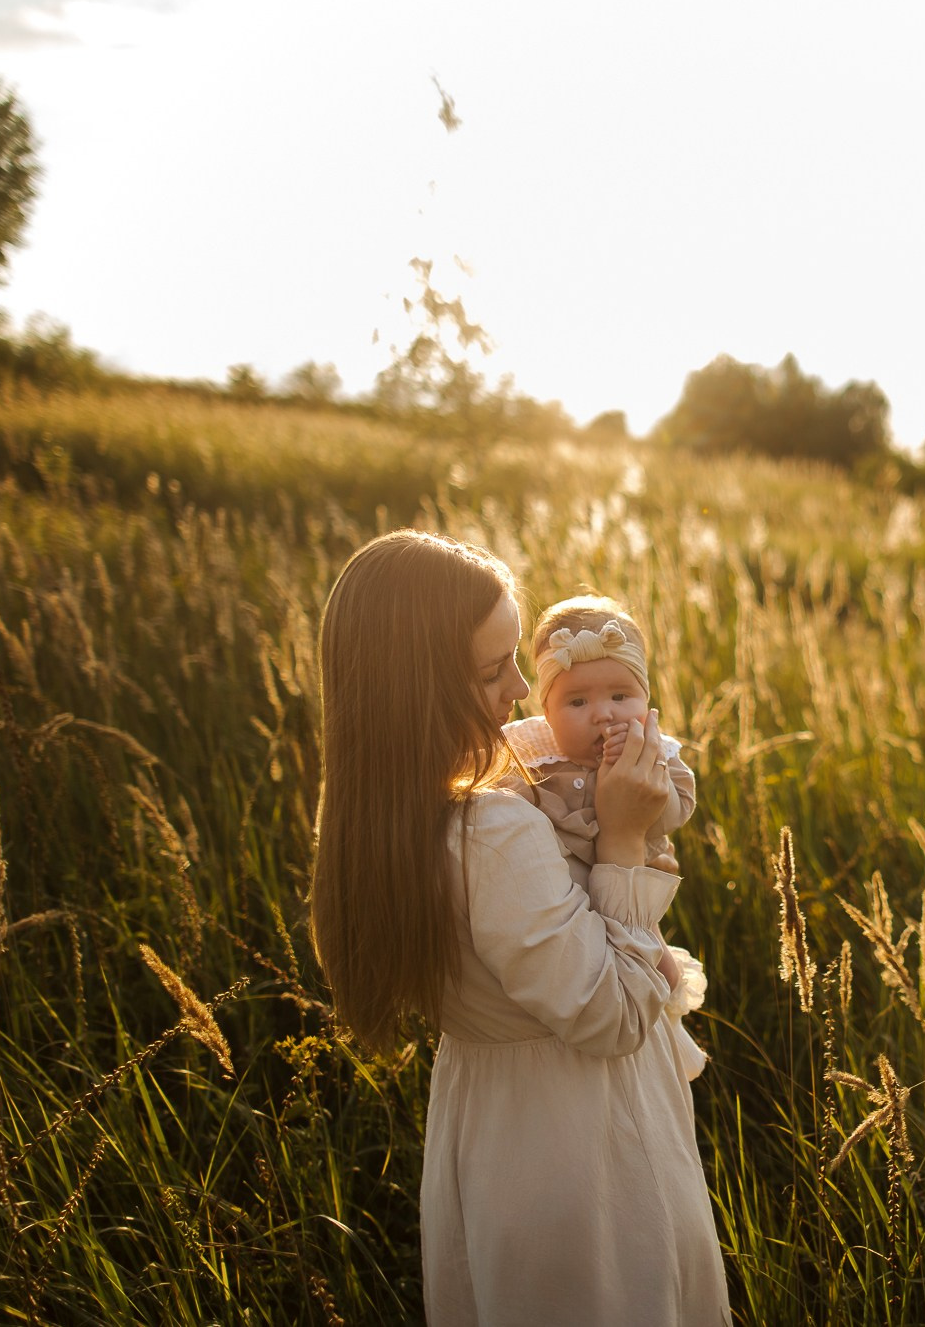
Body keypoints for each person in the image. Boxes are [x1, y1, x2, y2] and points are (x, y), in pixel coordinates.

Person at [308, 529, 730, 1326]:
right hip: (584, 1159)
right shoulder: (493, 830)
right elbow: (610, 1014)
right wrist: (626, 840)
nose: (519, 689)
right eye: (493, 667)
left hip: (491, 1135)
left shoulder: (389, 819)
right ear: (421, 686)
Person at [500, 594, 710, 1081]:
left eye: (621, 696)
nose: (604, 714)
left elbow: (678, 808)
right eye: (577, 701)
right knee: (593, 985)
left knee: (661, 976)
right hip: (564, 897)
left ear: (646, 698)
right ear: (546, 712)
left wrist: (643, 784)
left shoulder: (655, 753)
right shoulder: (531, 755)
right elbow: (507, 809)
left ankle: (669, 1058)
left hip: (631, 885)